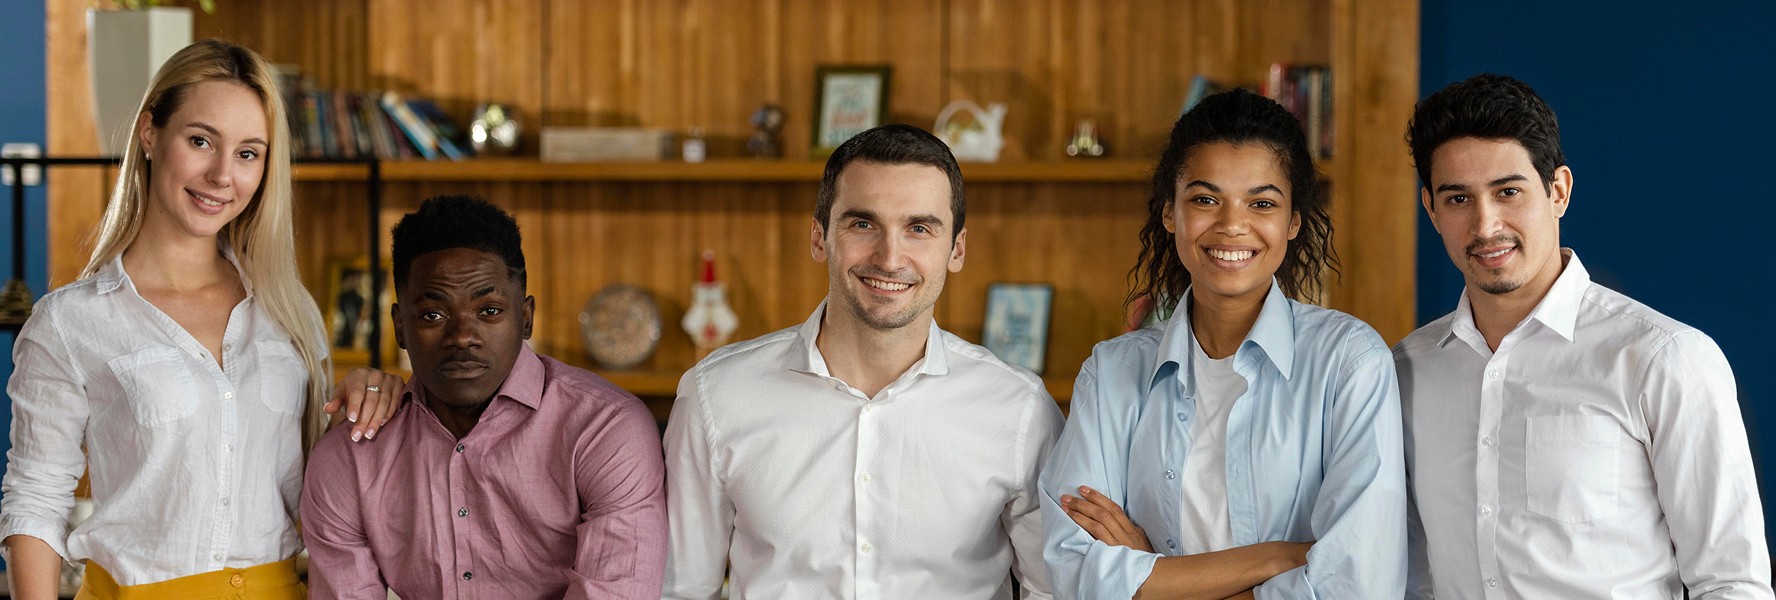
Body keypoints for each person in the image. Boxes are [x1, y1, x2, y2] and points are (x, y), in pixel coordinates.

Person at [0, 39, 401, 599]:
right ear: (149, 134)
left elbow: (316, 487)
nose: (221, 175)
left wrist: (363, 396)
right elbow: (36, 501)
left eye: (248, 153)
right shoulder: (70, 322)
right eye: (199, 141)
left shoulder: (290, 312)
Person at [1397, 73, 1771, 599]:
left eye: (1508, 192)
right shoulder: (1406, 369)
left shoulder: (1662, 359)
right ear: (1432, 210)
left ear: (1558, 191)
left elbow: (1732, 582)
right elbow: (1411, 572)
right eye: (1458, 199)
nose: (1485, 225)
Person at [661, 124, 1062, 599]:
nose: (890, 258)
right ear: (818, 237)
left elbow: (1055, 591)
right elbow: (679, 591)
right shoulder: (716, 396)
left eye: (919, 229)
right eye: (863, 224)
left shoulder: (1018, 408)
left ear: (956, 249)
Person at [1039, 89, 1407, 599]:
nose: (1232, 225)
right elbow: (1073, 571)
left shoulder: (1350, 363)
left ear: (1293, 220)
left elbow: (1356, 583)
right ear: (1171, 212)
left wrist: (1150, 575)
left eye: (1262, 202)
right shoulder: (1111, 373)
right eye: (1206, 199)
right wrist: (1281, 556)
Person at [301, 195, 667, 599]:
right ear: (399, 326)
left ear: (525, 318)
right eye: (432, 315)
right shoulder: (349, 456)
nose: (462, 337)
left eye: (489, 311)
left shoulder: (604, 428)